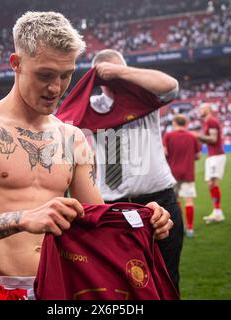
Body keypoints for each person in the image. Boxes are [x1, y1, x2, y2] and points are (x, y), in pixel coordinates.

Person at [0, 11, 172, 300]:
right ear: (16, 63)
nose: (56, 88)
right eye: (45, 75)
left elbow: (94, 219)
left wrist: (144, 219)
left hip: (61, 287)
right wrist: (22, 219)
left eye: (66, 75)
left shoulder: (71, 137)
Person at [78, 49, 183, 291]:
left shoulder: (145, 99)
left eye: (118, 73)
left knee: (166, 276)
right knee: (121, 282)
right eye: (107, 77)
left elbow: (170, 86)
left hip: (159, 198)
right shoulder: (93, 107)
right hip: (114, 204)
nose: (115, 81)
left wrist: (119, 71)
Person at [163, 114, 202, 238]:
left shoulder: (168, 136)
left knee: (175, 200)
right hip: (188, 172)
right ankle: (190, 228)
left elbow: (164, 152)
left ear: (174, 123)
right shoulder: (192, 137)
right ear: (185, 124)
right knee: (189, 201)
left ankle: (179, 227)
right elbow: (198, 156)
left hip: (172, 173)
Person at [196, 103, 226, 223]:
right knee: (210, 184)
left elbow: (213, 139)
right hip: (212, 155)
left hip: (217, 155)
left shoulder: (212, 121)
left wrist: (198, 136)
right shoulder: (207, 122)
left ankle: (218, 212)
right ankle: (217, 211)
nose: (200, 111)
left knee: (213, 183)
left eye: (201, 109)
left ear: (208, 109)